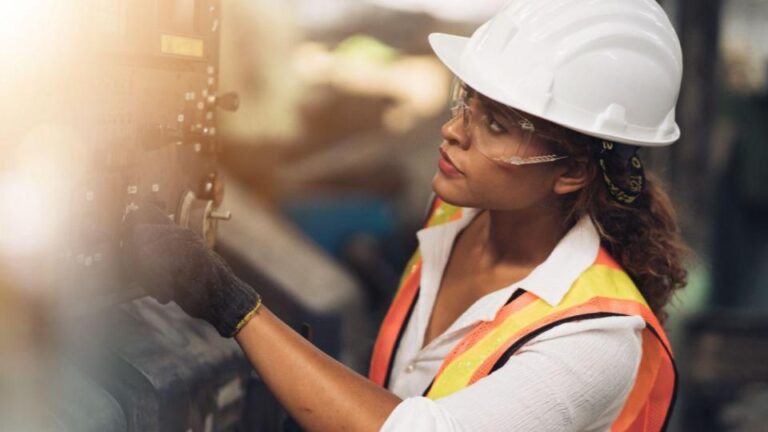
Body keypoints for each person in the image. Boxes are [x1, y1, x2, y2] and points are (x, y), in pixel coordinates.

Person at [124, 0, 688, 430]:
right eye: (465, 99)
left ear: (573, 173)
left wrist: (231, 304)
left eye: (494, 124)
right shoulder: (456, 215)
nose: (452, 130)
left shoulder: (596, 341)